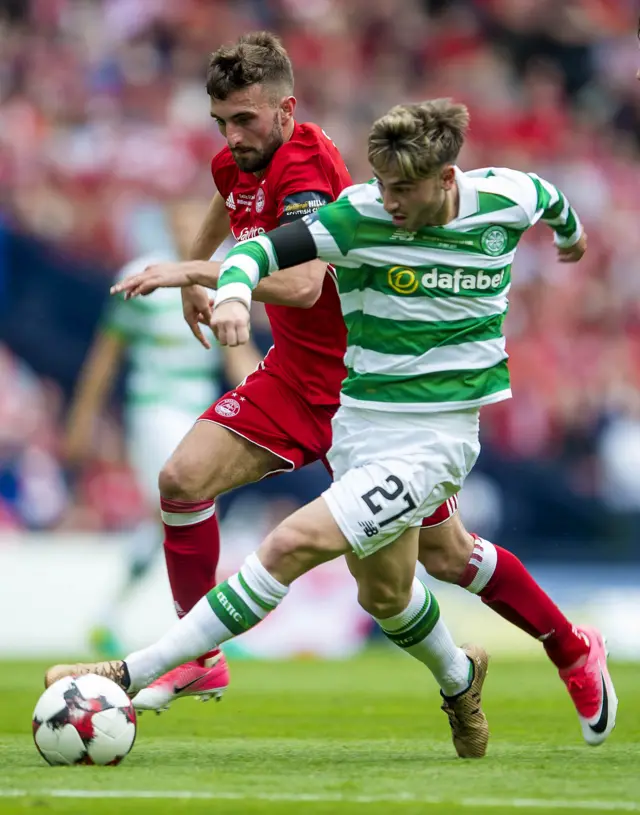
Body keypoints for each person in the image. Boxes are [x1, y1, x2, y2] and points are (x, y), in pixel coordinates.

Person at [47, 99, 618, 752]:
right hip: (360, 429)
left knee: (290, 544)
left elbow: (551, 199)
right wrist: (232, 291)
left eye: (405, 188)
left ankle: (130, 671)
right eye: (383, 183)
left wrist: (571, 238)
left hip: (435, 439)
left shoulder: (505, 197)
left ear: (449, 178)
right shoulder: (361, 214)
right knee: (388, 594)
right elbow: (260, 252)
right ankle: (476, 671)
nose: (389, 200)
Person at [63, 201, 260, 660]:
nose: (189, 230)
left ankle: (112, 618)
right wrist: (81, 418)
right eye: (181, 222)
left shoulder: (224, 273)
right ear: (168, 226)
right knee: (187, 505)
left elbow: (236, 353)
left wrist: (278, 395)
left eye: (196, 222)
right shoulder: (142, 274)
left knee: (173, 518)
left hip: (200, 410)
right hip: (152, 409)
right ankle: (203, 630)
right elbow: (105, 355)